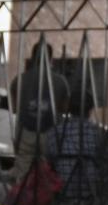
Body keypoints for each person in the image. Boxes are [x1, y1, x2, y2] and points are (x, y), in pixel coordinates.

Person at [46, 89, 108, 205]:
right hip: (92, 192)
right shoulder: (99, 133)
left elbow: (49, 161)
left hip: (63, 190)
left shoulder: (54, 133)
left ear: (69, 108)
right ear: (90, 110)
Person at [10, 41, 71, 183]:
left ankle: (22, 194)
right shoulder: (61, 81)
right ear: (50, 59)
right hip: (50, 133)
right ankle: (45, 195)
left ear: (32, 58)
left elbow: (15, 108)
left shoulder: (19, 80)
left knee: (23, 172)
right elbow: (65, 109)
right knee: (47, 172)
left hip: (25, 131)